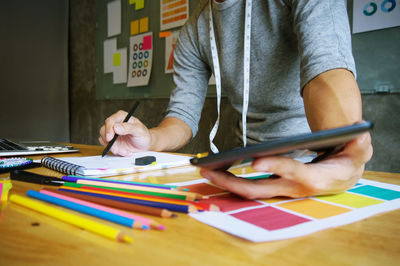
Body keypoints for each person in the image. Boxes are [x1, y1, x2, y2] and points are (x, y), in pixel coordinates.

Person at [99, 0, 373, 199]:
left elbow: (325, 69)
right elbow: (183, 115)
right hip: (248, 166)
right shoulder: (193, 31)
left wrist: (340, 152)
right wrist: (150, 139)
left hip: (315, 159)